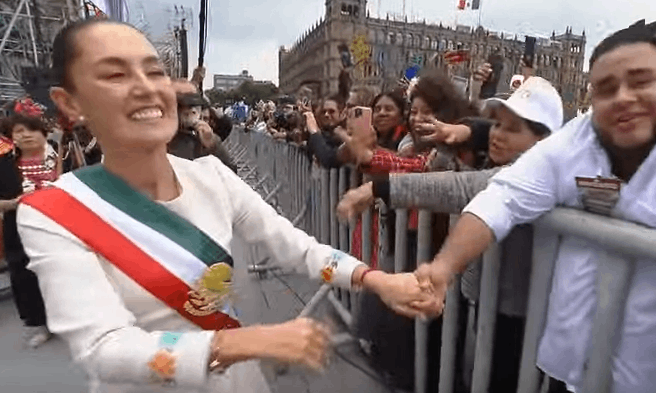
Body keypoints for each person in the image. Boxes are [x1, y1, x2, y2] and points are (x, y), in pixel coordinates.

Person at [15, 19, 437, 393]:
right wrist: (241, 342)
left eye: (154, 70)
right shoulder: (52, 212)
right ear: (69, 103)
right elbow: (102, 346)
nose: (145, 87)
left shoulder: (212, 177)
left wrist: (373, 279)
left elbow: (295, 246)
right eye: (114, 75)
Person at [414, 20, 656, 393]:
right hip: (569, 362)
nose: (623, 97)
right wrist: (444, 268)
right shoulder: (578, 139)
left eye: (641, 80)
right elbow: (502, 195)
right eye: (606, 88)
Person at [338, 76, 564, 392]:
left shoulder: (536, 174)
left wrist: (377, 188)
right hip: (489, 303)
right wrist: (468, 130)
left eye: (512, 129)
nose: (498, 135)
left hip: (522, 316)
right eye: (497, 125)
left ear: (544, 141)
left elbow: (461, 187)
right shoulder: (504, 159)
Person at [0, 112, 57, 348]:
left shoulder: (64, 153)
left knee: (63, 271)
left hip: (59, 224)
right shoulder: (5, 164)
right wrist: (14, 203)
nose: (25, 136)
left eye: (30, 130)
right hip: (20, 226)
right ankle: (40, 324)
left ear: (43, 133)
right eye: (18, 132)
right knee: (26, 275)